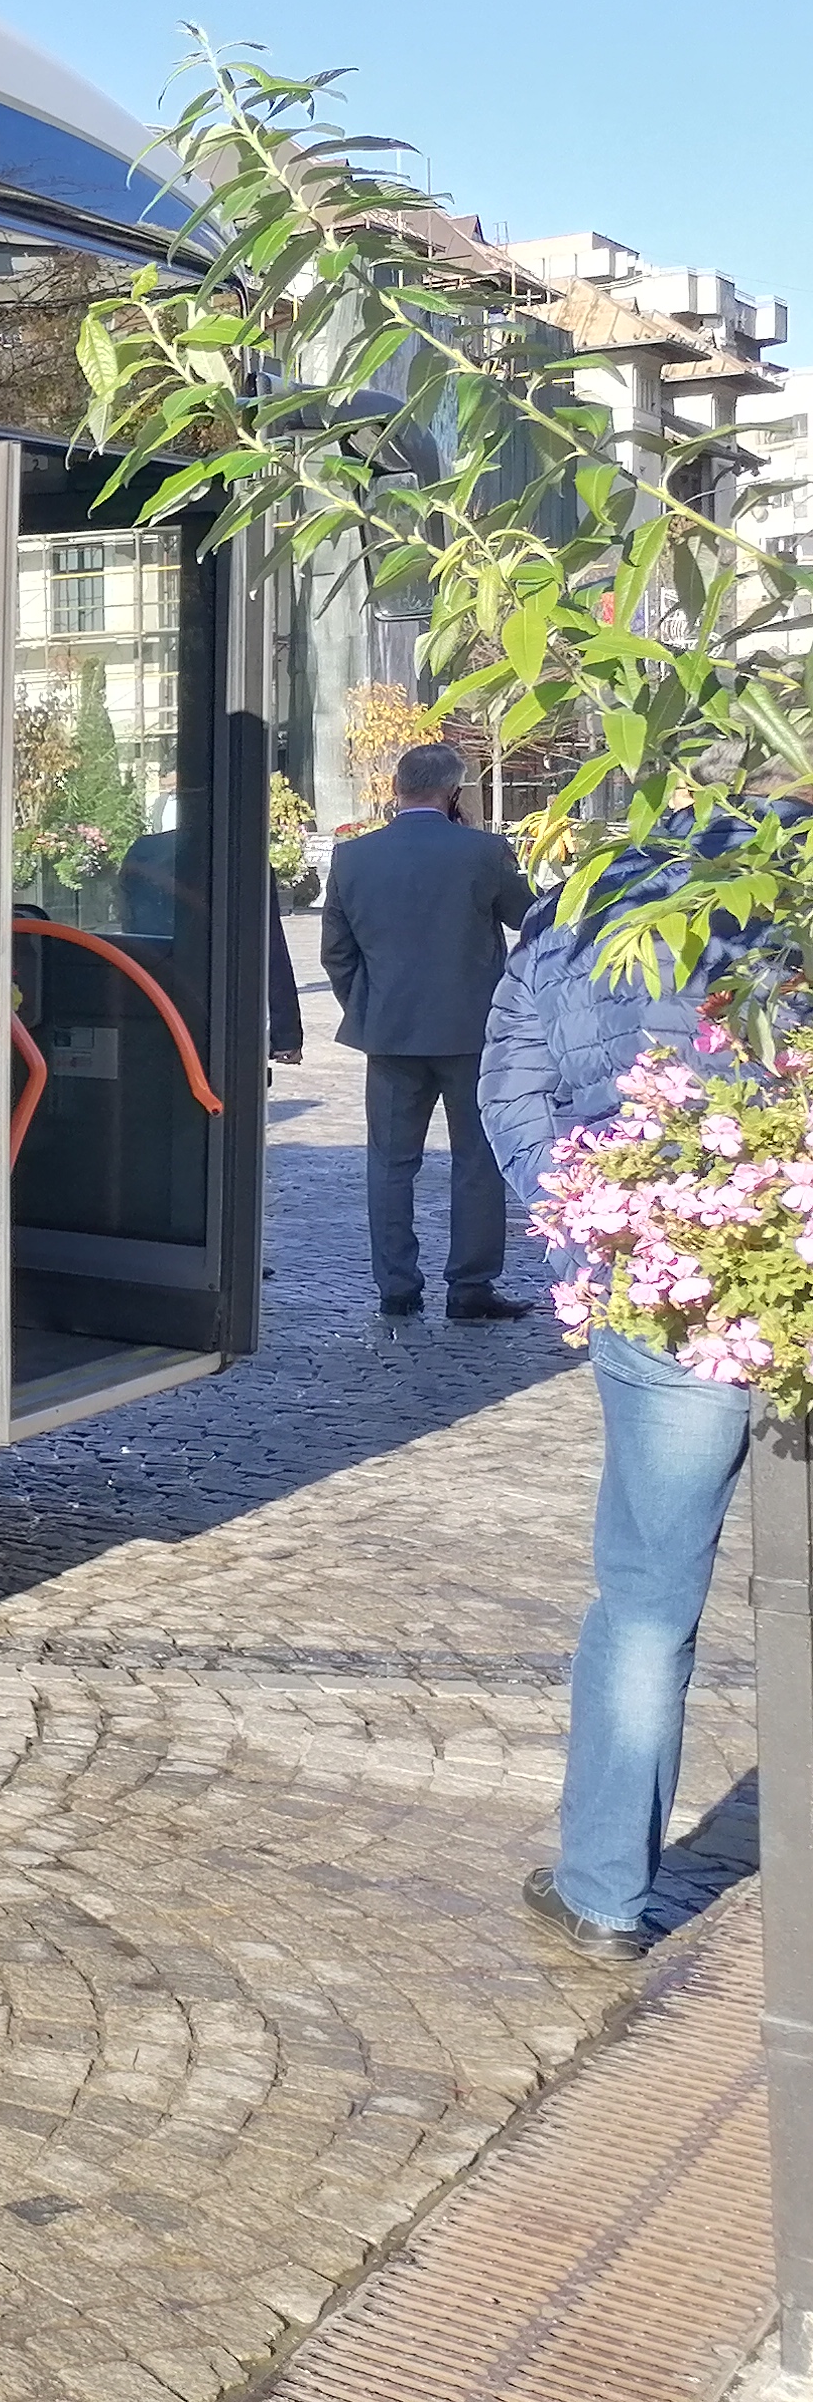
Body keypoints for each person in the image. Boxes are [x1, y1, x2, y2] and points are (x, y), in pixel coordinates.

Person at [480, 821, 758, 1959]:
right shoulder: (783, 889)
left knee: (648, 1600)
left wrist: (595, 1231)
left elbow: (513, 1088)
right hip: (763, 1261)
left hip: (663, 1280)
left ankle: (603, 1894)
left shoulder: (585, 898)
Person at [319, 743, 536, 1320]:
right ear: (453, 792)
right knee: (478, 1160)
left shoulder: (353, 856)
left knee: (391, 1164)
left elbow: (336, 953)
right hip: (472, 1032)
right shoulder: (484, 851)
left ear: (397, 788)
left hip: (390, 1034)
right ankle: (470, 1287)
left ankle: (396, 1286)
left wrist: (369, 1008)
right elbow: (531, 920)